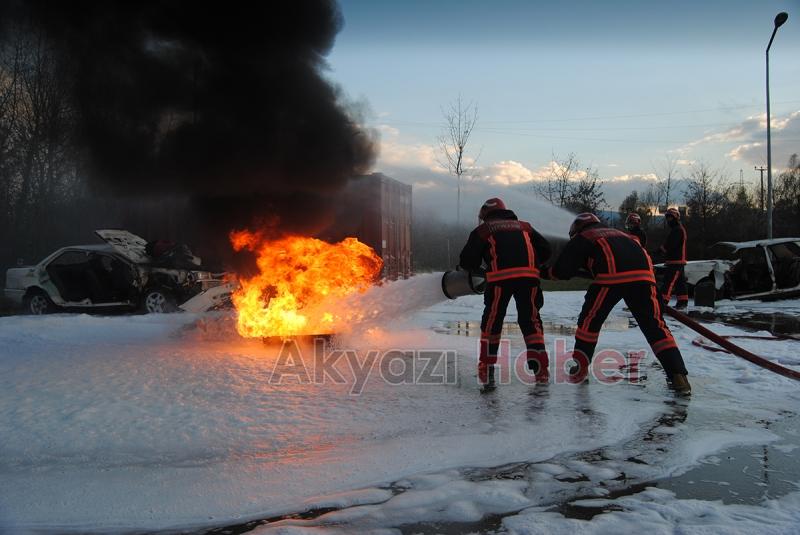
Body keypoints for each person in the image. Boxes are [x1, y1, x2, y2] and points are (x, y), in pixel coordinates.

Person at [543, 213, 691, 394]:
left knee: (590, 321)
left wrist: (544, 272)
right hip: (645, 278)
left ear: (577, 229)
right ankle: (678, 375)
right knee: (655, 326)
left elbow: (563, 271)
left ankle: (580, 368)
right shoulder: (624, 235)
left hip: (611, 277)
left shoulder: (585, 237)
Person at [459, 198, 552, 388]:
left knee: (493, 322)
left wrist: (480, 268)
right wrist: (531, 263)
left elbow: (467, 261)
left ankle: (486, 367)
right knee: (531, 321)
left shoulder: (484, 230)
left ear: (485, 214)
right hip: (529, 279)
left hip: (500, 280)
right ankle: (541, 370)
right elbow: (546, 250)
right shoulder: (525, 227)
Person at [658, 207, 688, 309]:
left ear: (676, 218)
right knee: (680, 283)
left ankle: (662, 302)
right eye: (667, 218)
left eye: (670, 218)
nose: (668, 220)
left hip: (675, 261)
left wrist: (660, 251)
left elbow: (671, 245)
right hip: (676, 261)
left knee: (668, 282)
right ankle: (682, 302)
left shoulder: (677, 230)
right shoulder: (677, 229)